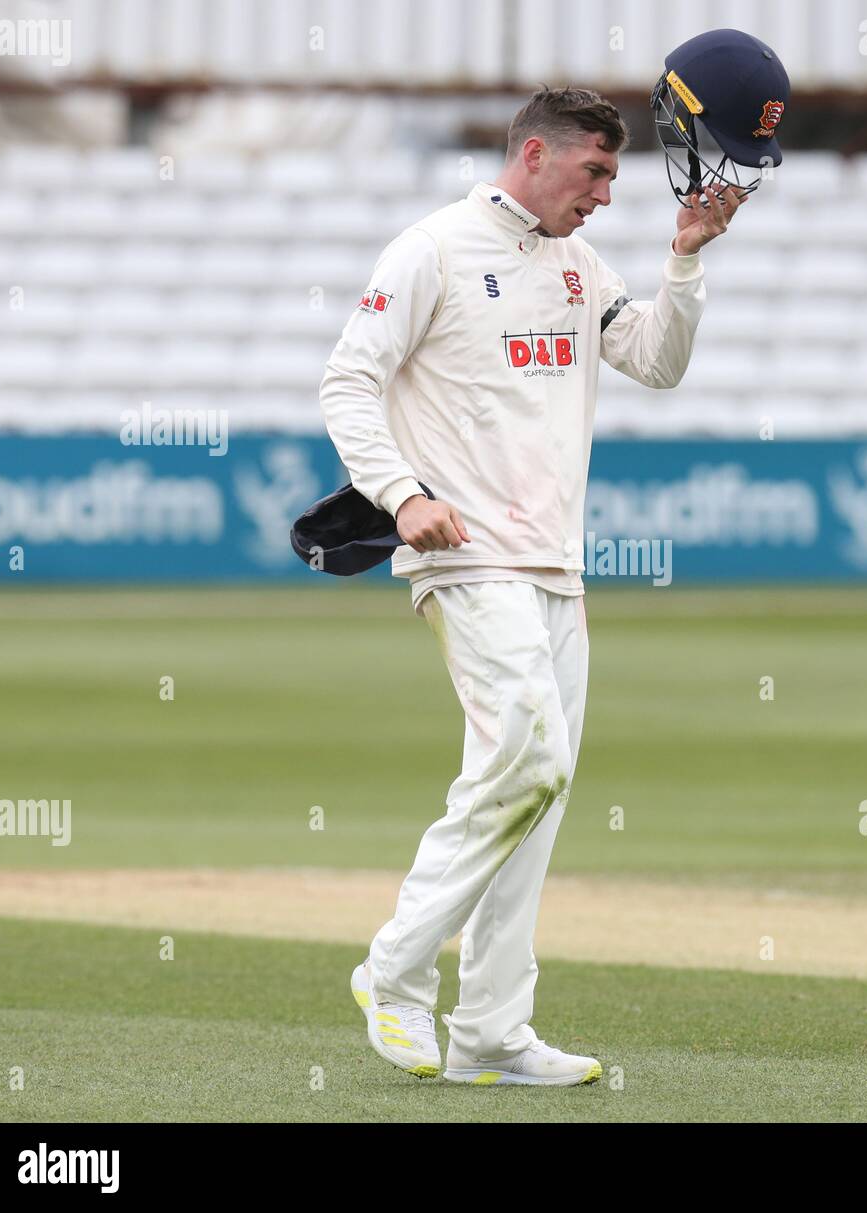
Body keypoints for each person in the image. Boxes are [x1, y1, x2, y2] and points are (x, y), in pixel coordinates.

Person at [321, 85, 746, 1086]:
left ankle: (492, 1030)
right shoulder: (431, 249)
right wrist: (398, 493)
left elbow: (655, 361)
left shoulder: (576, 261)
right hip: (465, 553)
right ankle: (393, 972)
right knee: (532, 758)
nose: (604, 193)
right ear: (534, 155)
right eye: (593, 171)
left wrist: (683, 259)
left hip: (557, 564)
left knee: (535, 799)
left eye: (611, 174)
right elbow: (348, 379)